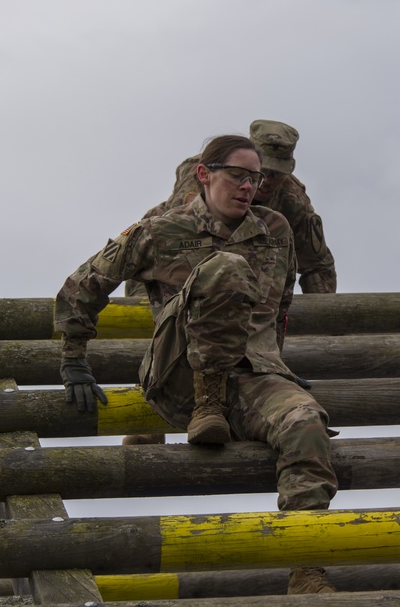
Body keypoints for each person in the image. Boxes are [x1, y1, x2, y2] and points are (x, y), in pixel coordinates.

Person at [55, 135, 339, 594]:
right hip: (180, 380)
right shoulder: (161, 231)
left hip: (249, 380)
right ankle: (207, 405)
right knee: (224, 267)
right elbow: (82, 285)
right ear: (205, 175)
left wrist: (276, 365)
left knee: (305, 422)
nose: (248, 187)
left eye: (255, 178)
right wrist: (74, 361)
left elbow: (279, 307)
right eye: (237, 176)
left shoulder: (275, 230)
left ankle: (306, 568)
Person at [121, 120, 337, 446]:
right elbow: (178, 250)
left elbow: (317, 263)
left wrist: (322, 323)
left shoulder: (290, 199)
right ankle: (153, 413)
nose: (262, 183)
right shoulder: (204, 177)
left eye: (274, 175)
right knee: (175, 319)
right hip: (179, 276)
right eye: (252, 171)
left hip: (248, 282)